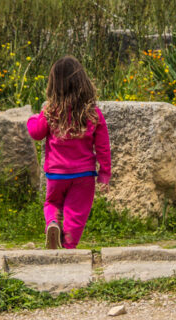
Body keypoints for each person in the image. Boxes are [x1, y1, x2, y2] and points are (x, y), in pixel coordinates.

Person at [26, 55, 111, 249]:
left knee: (52, 204)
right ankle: (68, 246)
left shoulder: (50, 111)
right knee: (76, 213)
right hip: (84, 175)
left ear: (54, 84)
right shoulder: (93, 113)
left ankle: (53, 224)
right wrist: (104, 174)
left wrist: (32, 118)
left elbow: (36, 133)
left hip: (56, 174)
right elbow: (103, 147)